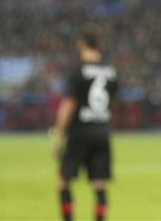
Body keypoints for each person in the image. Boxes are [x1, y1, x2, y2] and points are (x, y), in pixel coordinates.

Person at [50, 26, 119, 221]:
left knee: (64, 179)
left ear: (82, 44)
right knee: (99, 184)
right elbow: (113, 103)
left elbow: (69, 105)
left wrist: (57, 134)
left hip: (79, 132)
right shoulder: (111, 72)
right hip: (102, 132)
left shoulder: (78, 71)